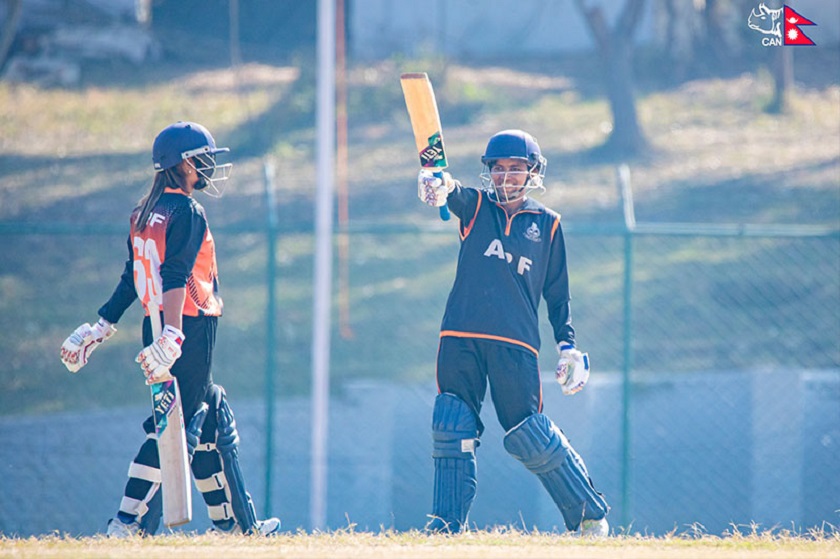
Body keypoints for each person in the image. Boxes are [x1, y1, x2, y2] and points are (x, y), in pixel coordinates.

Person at [59, 121, 281, 537]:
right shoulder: (188, 211)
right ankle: (125, 522)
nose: (208, 166)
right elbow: (175, 274)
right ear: (183, 164)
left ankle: (230, 526)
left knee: (211, 415)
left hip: (158, 327)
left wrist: (102, 324)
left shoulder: (144, 210)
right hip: (187, 330)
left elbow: (133, 276)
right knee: (175, 423)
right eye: (202, 158)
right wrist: (174, 335)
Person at [417, 129, 610, 536]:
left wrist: (568, 347)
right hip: (460, 335)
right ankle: (446, 526)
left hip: (517, 344)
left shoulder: (548, 224)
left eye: (516, 169)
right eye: (499, 169)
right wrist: (439, 184)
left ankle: (589, 515)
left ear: (532, 172)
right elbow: (453, 192)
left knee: (529, 432)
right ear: (489, 173)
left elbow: (558, 296)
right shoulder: (475, 208)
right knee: (452, 422)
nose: (506, 177)